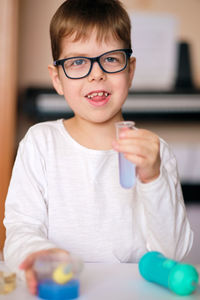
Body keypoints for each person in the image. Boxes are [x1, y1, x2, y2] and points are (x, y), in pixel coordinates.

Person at [3, 0, 193, 295]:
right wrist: (41, 255)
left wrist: (153, 178)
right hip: (66, 288)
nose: (96, 74)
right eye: (77, 62)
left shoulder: (154, 153)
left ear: (130, 71)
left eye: (111, 59)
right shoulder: (40, 144)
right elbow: (20, 230)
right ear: (57, 79)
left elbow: (174, 253)